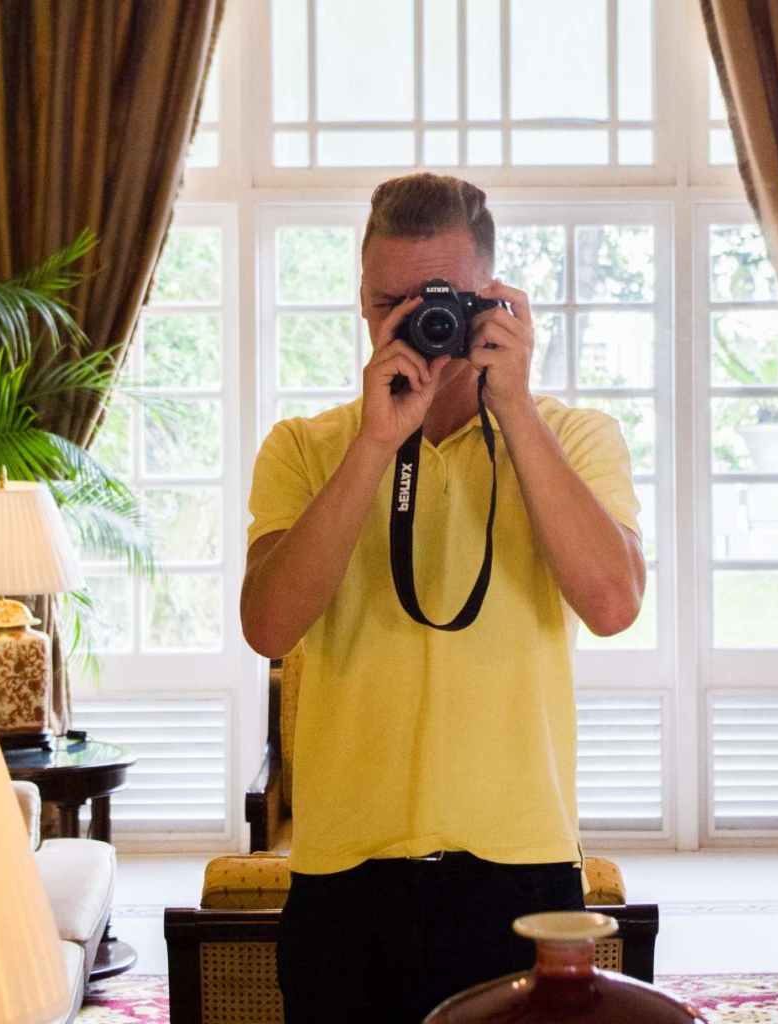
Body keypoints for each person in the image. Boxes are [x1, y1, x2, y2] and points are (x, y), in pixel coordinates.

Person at [241, 172, 645, 1023]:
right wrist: (374, 442)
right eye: (396, 302)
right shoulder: (306, 449)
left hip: (524, 869)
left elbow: (613, 603)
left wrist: (518, 412)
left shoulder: (571, 437)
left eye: (447, 302)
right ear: (361, 300)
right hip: (344, 875)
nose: (422, 327)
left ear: (494, 299)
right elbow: (269, 624)